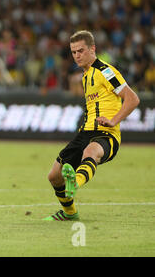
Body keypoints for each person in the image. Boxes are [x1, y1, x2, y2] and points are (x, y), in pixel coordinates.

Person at [44, 30, 140, 221]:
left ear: (92, 49)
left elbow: (132, 99)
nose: (77, 56)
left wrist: (113, 120)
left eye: (80, 50)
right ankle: (70, 213)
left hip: (107, 133)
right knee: (54, 176)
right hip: (86, 132)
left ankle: (75, 183)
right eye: (73, 52)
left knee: (91, 152)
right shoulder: (86, 76)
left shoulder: (106, 71)